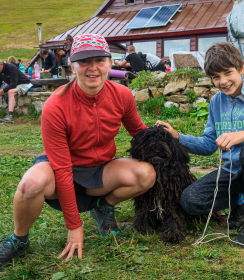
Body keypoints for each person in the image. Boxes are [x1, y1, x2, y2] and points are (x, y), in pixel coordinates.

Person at [0, 33, 155, 267]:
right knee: (30, 184)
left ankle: (104, 206)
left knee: (146, 174)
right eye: (84, 62)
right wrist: (74, 225)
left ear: (110, 63)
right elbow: (62, 167)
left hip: (101, 169)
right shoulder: (56, 104)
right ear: (72, 65)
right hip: (62, 168)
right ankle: (19, 238)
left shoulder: (122, 95)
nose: (92, 68)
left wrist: (170, 137)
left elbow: (140, 133)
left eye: (99, 61)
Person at [158, 42, 244, 247]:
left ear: (241, 68)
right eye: (216, 77)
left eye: (228, 73)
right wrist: (178, 137)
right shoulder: (217, 102)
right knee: (190, 200)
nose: (223, 81)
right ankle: (240, 200)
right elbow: (209, 145)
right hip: (232, 172)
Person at [0, 59, 32, 124]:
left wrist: (2, 90)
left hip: (24, 84)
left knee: (10, 92)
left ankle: (10, 116)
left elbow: (13, 84)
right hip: (15, 85)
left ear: (1, 64)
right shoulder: (0, 71)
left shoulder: (11, 67)